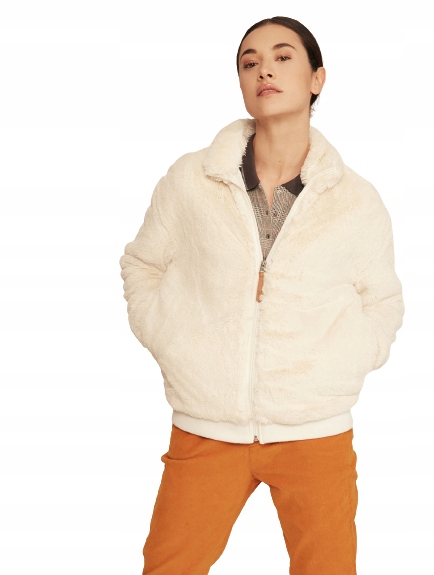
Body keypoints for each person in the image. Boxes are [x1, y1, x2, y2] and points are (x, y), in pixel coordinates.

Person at [119, 16, 405, 575]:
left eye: (282, 57)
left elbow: (383, 302)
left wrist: (341, 365)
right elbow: (142, 264)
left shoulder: (356, 200)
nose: (264, 70)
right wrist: (173, 341)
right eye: (249, 62)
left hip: (314, 432)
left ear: (317, 78)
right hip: (206, 427)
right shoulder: (191, 180)